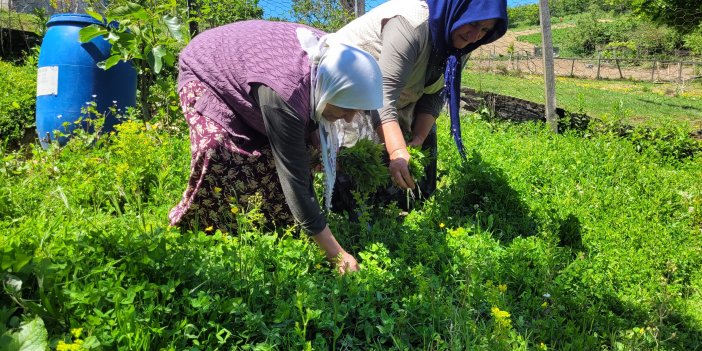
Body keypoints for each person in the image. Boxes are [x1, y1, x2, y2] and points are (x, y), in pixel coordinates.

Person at [168, 20, 384, 274]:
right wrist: (337, 255)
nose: (349, 118)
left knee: (279, 160)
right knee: (223, 153)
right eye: (346, 110)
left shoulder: (334, 61)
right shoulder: (288, 93)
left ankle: (263, 229)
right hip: (208, 70)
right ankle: (201, 233)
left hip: (256, 77)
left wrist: (315, 139)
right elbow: (295, 179)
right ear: (329, 91)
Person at [326, 0, 508, 205]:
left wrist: (419, 136)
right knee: (359, 165)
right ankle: (354, 217)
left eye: (484, 30)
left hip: (401, 93)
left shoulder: (461, 45)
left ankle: (405, 207)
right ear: (456, 11)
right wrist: (396, 151)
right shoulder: (410, 26)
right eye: (473, 24)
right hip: (350, 89)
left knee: (417, 150)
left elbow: (436, 93)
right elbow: (383, 96)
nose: (474, 36)